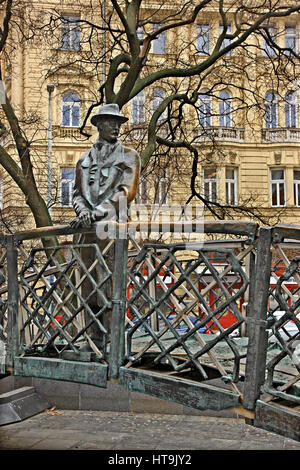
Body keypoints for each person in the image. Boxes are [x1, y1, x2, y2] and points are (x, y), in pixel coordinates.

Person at [70, 104, 140, 353]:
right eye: (111, 122)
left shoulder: (129, 156)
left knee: (109, 283)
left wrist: (97, 213)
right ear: (99, 124)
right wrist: (83, 212)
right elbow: (77, 195)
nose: (116, 127)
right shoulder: (83, 160)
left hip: (112, 230)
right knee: (88, 285)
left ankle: (114, 340)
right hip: (86, 232)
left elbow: (126, 192)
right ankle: (94, 338)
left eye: (118, 122)